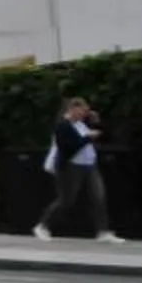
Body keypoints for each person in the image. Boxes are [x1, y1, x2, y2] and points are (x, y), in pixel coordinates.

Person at [33, 95, 122, 243]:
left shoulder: (81, 124)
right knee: (66, 200)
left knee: (99, 197)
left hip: (90, 165)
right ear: (72, 109)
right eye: (81, 111)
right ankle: (43, 226)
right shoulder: (63, 126)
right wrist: (88, 137)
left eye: (85, 112)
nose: (83, 115)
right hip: (71, 167)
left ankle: (103, 231)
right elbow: (69, 147)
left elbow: (104, 134)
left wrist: (97, 122)